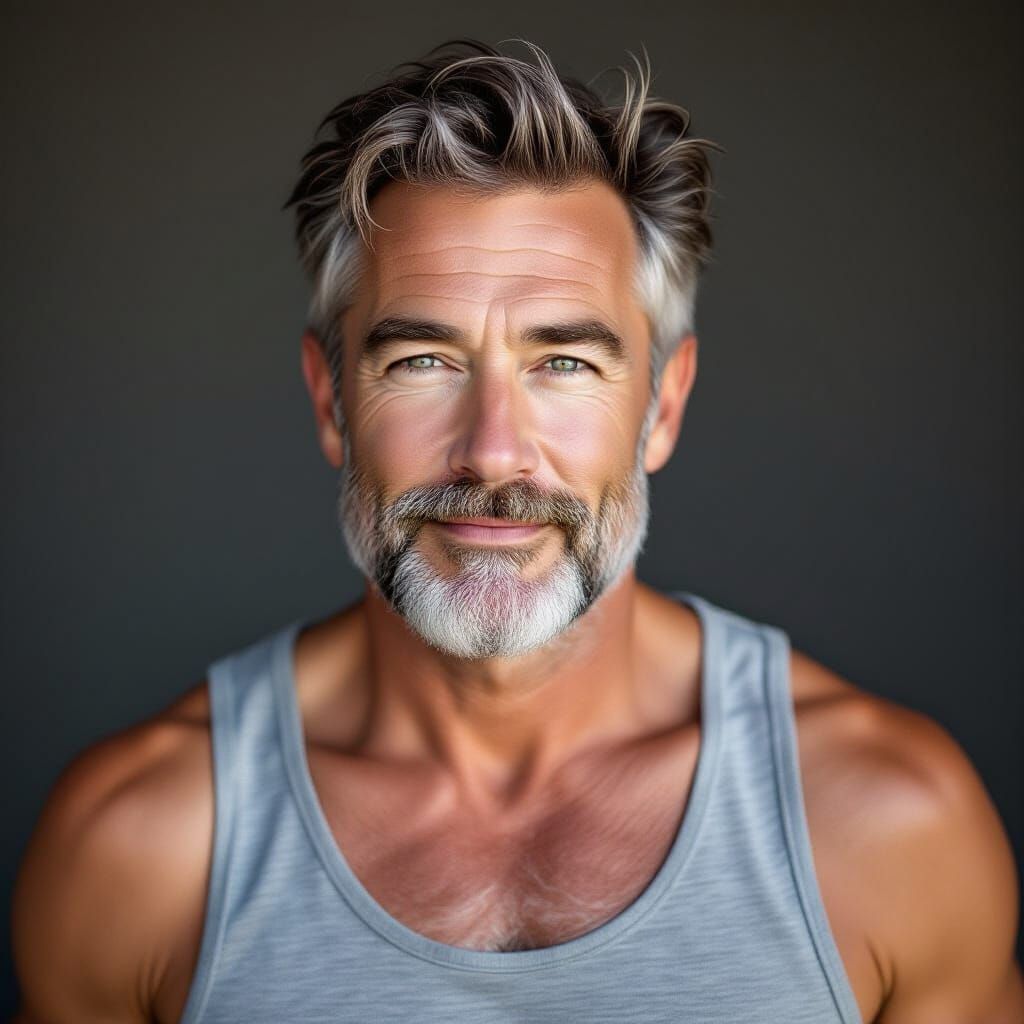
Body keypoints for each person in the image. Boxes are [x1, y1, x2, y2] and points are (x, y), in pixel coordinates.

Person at [11, 38, 1023, 1024]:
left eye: (566, 363)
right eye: (421, 361)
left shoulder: (886, 822)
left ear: (663, 406)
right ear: (330, 404)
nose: (492, 453)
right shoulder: (141, 846)